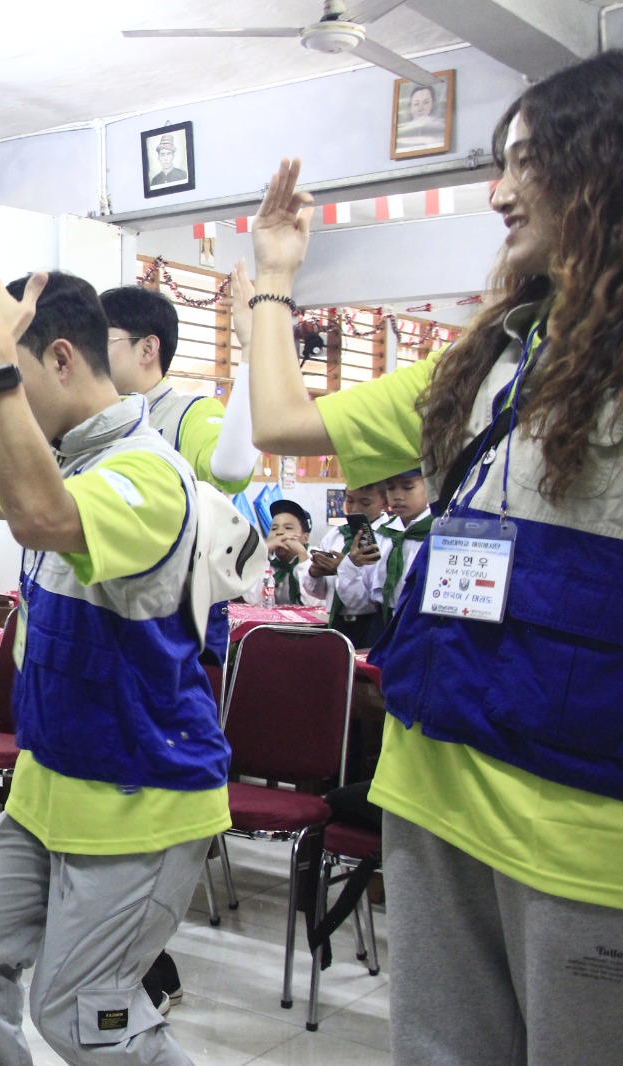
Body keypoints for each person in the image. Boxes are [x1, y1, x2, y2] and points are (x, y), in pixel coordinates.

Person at [247, 52, 623, 1063]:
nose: (498, 192)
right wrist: (274, 279)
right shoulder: (494, 355)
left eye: (527, 162)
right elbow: (282, 418)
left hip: (580, 830)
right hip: (432, 785)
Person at [0, 270, 227, 1065]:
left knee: (77, 1011)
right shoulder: (66, 456)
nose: (8, 403)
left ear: (59, 360)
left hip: (145, 794)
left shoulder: (147, 472)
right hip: (53, 782)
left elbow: (35, 517)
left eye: (18, 380)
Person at [100, 273, 259, 1007]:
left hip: (177, 642)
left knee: (148, 805)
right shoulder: (99, 419)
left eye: (104, 344)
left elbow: (231, 467)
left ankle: (141, 971)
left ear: (147, 348)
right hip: (112, 635)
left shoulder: (185, 409)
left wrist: (254, 356)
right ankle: (124, 965)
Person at [339, 469, 432, 623]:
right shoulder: (381, 535)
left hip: (422, 625)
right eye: (390, 488)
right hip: (383, 624)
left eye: (408, 487)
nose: (397, 496)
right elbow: (360, 603)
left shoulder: (437, 534)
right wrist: (351, 565)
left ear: (429, 487)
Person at [304, 481, 387, 646]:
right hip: (335, 622)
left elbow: (371, 598)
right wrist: (315, 572)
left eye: (365, 503)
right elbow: (319, 593)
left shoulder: (387, 538)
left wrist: (344, 568)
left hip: (369, 625)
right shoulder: (335, 534)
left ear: (385, 502)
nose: (355, 509)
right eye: (349, 500)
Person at [246, 499, 317, 606]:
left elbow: (315, 604)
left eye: (288, 528)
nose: (279, 533)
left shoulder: (316, 559)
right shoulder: (265, 560)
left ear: (305, 538)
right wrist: (263, 552)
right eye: (274, 528)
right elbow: (253, 601)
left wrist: (302, 554)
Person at [396, 84, 447, 153]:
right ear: (410, 107)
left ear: (432, 105)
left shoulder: (440, 129)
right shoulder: (402, 133)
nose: (420, 109)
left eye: (426, 103)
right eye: (416, 104)